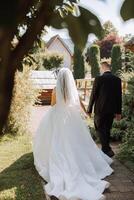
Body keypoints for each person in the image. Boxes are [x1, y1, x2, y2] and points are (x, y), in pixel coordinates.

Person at [33, 68, 113, 200]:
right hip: (71, 116)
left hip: (58, 116)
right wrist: (86, 112)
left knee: (57, 141)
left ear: (59, 79)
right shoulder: (72, 89)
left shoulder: (55, 90)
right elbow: (79, 102)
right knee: (77, 141)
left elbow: (53, 104)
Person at [87, 62, 122, 157]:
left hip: (100, 110)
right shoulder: (117, 80)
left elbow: (93, 95)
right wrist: (119, 112)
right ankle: (106, 149)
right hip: (111, 110)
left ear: (103, 68)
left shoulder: (99, 79)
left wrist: (89, 110)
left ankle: (106, 149)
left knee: (100, 129)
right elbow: (119, 97)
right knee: (107, 129)